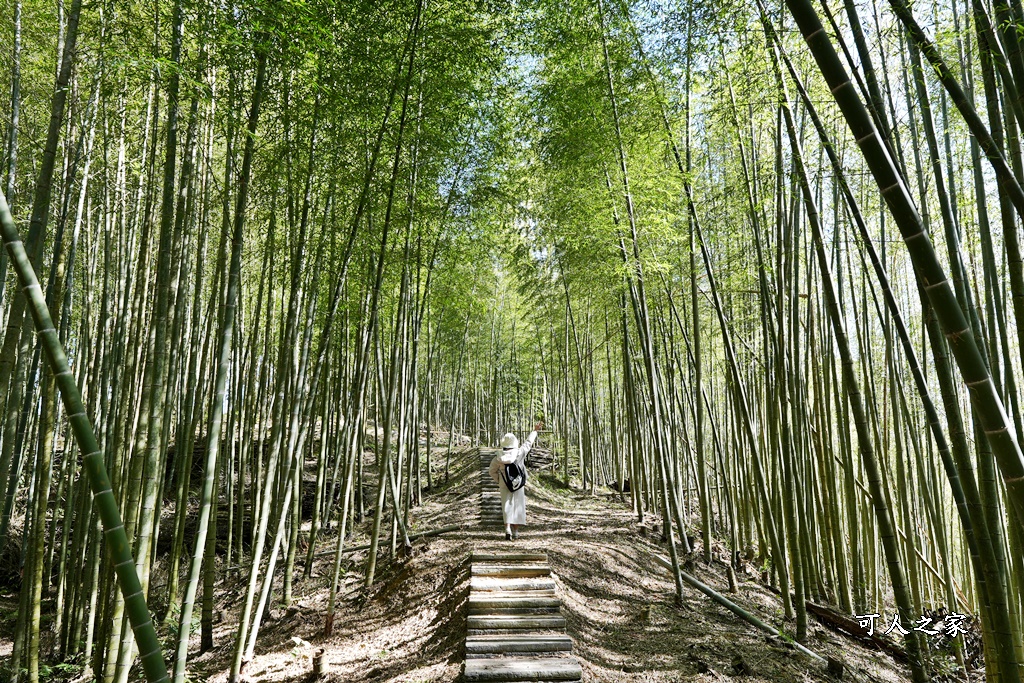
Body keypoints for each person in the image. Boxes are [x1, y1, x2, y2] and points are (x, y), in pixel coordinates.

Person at [489, 422, 543, 541]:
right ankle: (516, 532)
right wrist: (535, 430)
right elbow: (528, 443)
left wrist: (499, 480)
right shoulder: (520, 452)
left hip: (504, 483)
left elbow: (491, 471)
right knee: (518, 505)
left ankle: (507, 528)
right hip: (518, 483)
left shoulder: (498, 456)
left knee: (506, 505)